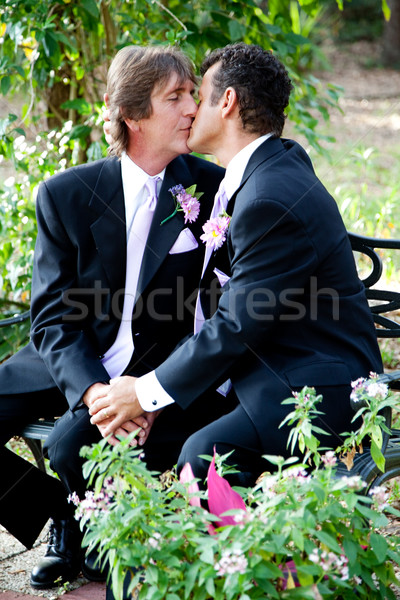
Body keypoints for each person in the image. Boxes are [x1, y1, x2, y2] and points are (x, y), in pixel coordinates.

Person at [89, 42, 383, 489]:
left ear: (227, 102)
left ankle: (248, 559)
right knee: (121, 437)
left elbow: (237, 324)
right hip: (260, 369)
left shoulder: (269, 197)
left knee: (201, 461)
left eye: (199, 96)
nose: (189, 110)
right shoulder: (262, 173)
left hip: (313, 387)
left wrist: (145, 392)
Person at [0, 45, 236, 589]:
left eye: (190, 95)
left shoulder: (207, 186)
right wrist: (91, 393)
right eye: (174, 97)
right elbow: (54, 317)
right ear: (131, 115)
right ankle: (60, 511)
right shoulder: (66, 196)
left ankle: (87, 539)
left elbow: (214, 312)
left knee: (67, 442)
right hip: (73, 357)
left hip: (152, 363)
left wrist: (146, 394)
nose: (191, 109)